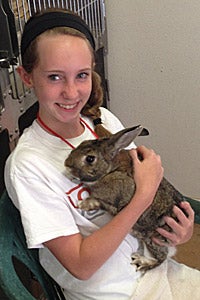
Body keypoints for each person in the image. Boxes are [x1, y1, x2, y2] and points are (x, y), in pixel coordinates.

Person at [4, 8, 199, 300]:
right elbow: (81, 266)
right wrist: (143, 195)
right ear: (27, 76)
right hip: (112, 293)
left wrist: (180, 233)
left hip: (153, 267)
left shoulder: (104, 122)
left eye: (81, 75)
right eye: (55, 77)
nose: (71, 93)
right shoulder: (28, 165)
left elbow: (141, 189)